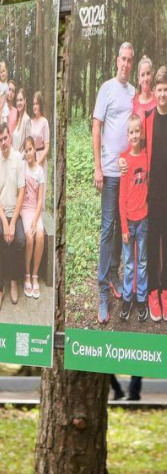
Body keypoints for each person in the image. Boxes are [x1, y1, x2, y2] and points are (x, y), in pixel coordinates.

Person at [93, 42, 135, 323]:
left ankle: (114, 276)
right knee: (108, 228)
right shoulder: (107, 88)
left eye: (129, 60)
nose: (125, 64)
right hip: (108, 173)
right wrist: (97, 166)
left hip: (128, 175)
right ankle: (102, 292)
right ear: (116, 59)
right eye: (122, 59)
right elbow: (96, 125)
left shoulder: (133, 93)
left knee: (122, 227)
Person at [0, 122, 26, 315]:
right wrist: (5, 223)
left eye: (6, 138)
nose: (4, 142)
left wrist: (13, 223)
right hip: (1, 213)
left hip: (15, 212)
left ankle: (13, 280)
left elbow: (22, 192)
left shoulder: (18, 159)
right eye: (1, 139)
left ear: (10, 137)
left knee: (20, 240)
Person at [118, 114, 149, 322]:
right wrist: (123, 228)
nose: (135, 135)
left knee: (143, 262)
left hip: (144, 219)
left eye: (138, 131)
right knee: (129, 263)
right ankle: (127, 298)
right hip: (129, 221)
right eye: (131, 132)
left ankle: (141, 298)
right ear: (127, 135)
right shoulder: (125, 161)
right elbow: (121, 197)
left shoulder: (147, 157)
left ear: (142, 133)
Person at [144, 66, 167, 322]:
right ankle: (153, 291)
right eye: (159, 90)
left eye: (165, 90)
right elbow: (137, 149)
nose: (162, 94)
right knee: (152, 242)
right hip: (152, 194)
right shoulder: (149, 118)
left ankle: (166, 291)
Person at [20, 136, 46, 300]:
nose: (28, 153)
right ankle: (27, 274)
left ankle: (35, 274)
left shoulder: (40, 171)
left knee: (40, 235)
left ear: (35, 150)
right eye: (26, 150)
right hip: (24, 209)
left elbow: (40, 200)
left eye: (30, 149)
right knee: (29, 236)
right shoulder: (22, 167)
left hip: (35, 211)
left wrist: (36, 220)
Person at [30, 90, 51, 167]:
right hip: (31, 158)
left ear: (41, 105)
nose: (35, 106)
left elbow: (47, 148)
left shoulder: (44, 122)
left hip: (41, 160)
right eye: (33, 104)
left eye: (37, 104)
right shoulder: (30, 122)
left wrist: (38, 163)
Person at [0, 61, 10, 128]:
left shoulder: (6, 85)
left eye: (4, 71)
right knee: (0, 119)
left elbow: (7, 95)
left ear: (6, 72)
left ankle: (5, 125)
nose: (3, 73)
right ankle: (0, 126)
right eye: (1, 72)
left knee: (5, 115)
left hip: (4, 104)